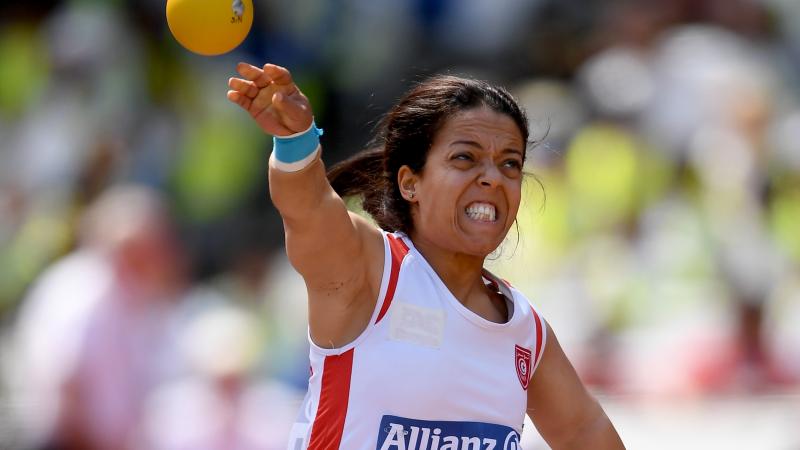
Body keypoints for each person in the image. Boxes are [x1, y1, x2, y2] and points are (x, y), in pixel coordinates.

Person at [226, 62, 625, 449]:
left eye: (510, 164)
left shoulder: (525, 330)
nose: (491, 177)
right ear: (410, 183)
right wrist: (296, 141)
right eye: (464, 158)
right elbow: (306, 208)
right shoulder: (371, 268)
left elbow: (584, 433)